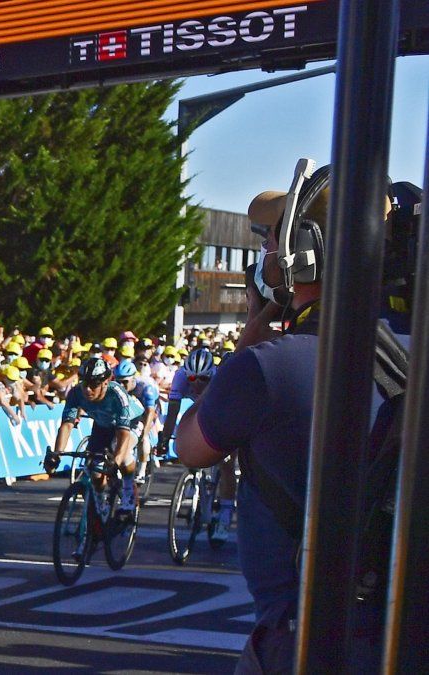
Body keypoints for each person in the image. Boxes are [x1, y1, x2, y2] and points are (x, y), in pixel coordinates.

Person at [173, 166, 389, 672]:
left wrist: (257, 324)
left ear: (301, 252)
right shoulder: (408, 350)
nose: (266, 254)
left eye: (272, 240)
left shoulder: (270, 366)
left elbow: (189, 447)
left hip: (306, 638)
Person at [44, 356, 144, 514]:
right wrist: (56, 454)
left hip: (130, 423)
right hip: (102, 426)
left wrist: (115, 461)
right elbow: (67, 424)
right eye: (85, 383)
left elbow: (123, 433)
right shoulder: (76, 393)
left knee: (122, 456)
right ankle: (100, 508)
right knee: (95, 472)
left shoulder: (117, 394)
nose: (88, 389)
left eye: (94, 384)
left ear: (106, 382)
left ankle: (128, 491)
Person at [113, 359, 160, 487]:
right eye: (118, 381)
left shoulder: (146, 387)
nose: (121, 385)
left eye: (125, 382)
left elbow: (150, 412)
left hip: (149, 409)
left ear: (133, 379)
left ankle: (141, 471)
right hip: (131, 408)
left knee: (143, 436)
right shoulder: (115, 387)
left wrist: (144, 432)